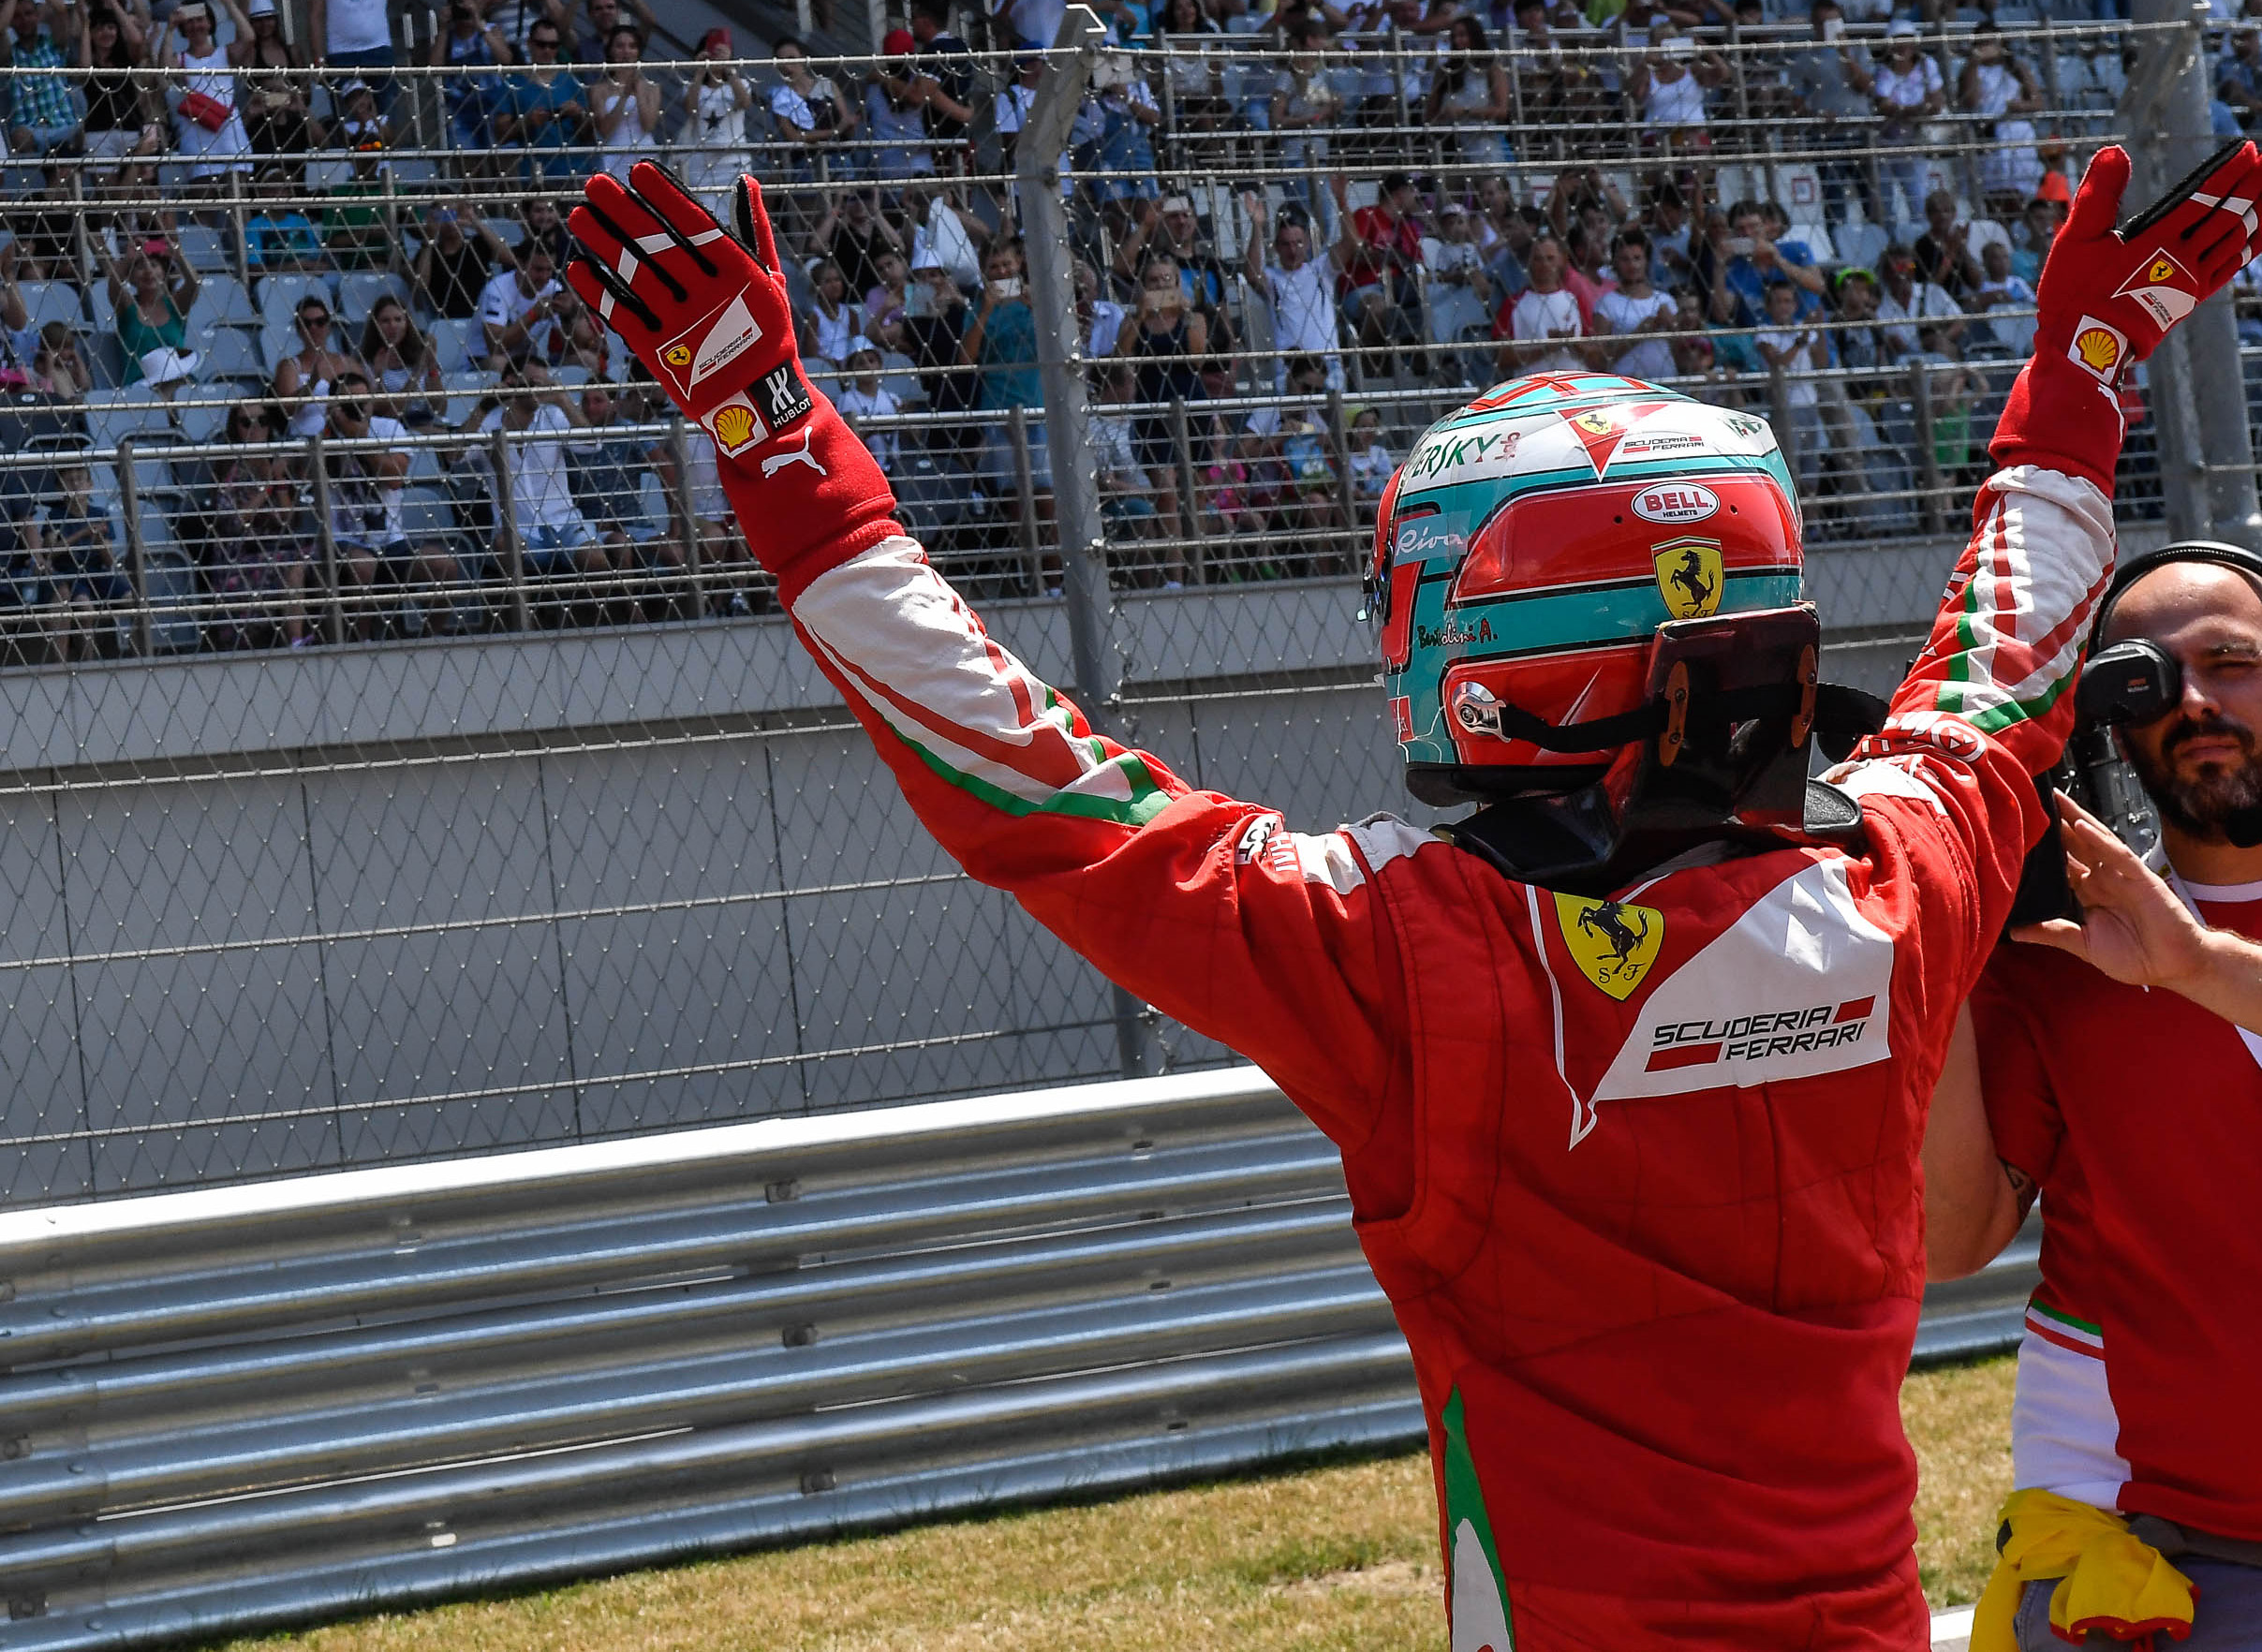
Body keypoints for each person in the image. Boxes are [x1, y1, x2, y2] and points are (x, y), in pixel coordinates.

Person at [557, 136, 2262, 1647]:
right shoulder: (1906, 874)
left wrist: (773, 427)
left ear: (1469, 640)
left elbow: (1027, 779)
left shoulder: (1394, 948)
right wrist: (2082, 362)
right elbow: (2004, 650)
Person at [1925, 543, 2262, 1652]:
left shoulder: (2164, 954)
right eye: (2148, 676)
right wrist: (1925, 937)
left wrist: (2200, 969)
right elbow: (1952, 1237)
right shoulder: (2062, 958)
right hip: (2167, 1558)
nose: (2197, 701)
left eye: (2233, 661)